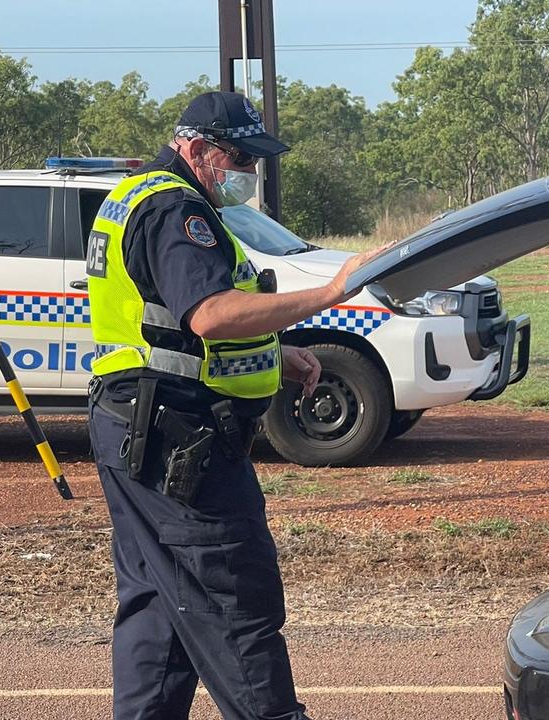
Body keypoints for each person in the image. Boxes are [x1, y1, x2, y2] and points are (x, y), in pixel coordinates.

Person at [86, 91, 372, 720]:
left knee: (158, 608)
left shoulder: (135, 195)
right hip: (178, 440)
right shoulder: (174, 209)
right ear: (197, 149)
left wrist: (278, 350)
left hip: (134, 426)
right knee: (233, 599)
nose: (248, 172)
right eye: (239, 157)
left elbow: (168, 324)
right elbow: (210, 314)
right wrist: (330, 291)